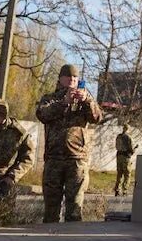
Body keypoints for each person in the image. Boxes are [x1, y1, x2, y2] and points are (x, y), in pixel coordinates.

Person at [34, 64, 102, 222]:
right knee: (51, 207)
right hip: (54, 159)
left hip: (77, 159)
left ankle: (70, 240)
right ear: (60, 79)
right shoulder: (49, 99)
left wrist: (86, 101)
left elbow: (97, 117)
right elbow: (42, 114)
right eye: (68, 76)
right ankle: (46, 239)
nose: (72, 79)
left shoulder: (85, 99)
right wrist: (64, 102)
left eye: (75, 77)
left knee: (75, 208)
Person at [113, 122, 135, 196]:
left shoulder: (118, 136)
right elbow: (131, 148)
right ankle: (124, 190)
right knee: (127, 174)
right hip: (126, 157)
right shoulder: (128, 137)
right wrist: (133, 150)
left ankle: (117, 189)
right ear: (128, 129)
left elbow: (116, 146)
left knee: (119, 173)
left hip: (119, 156)